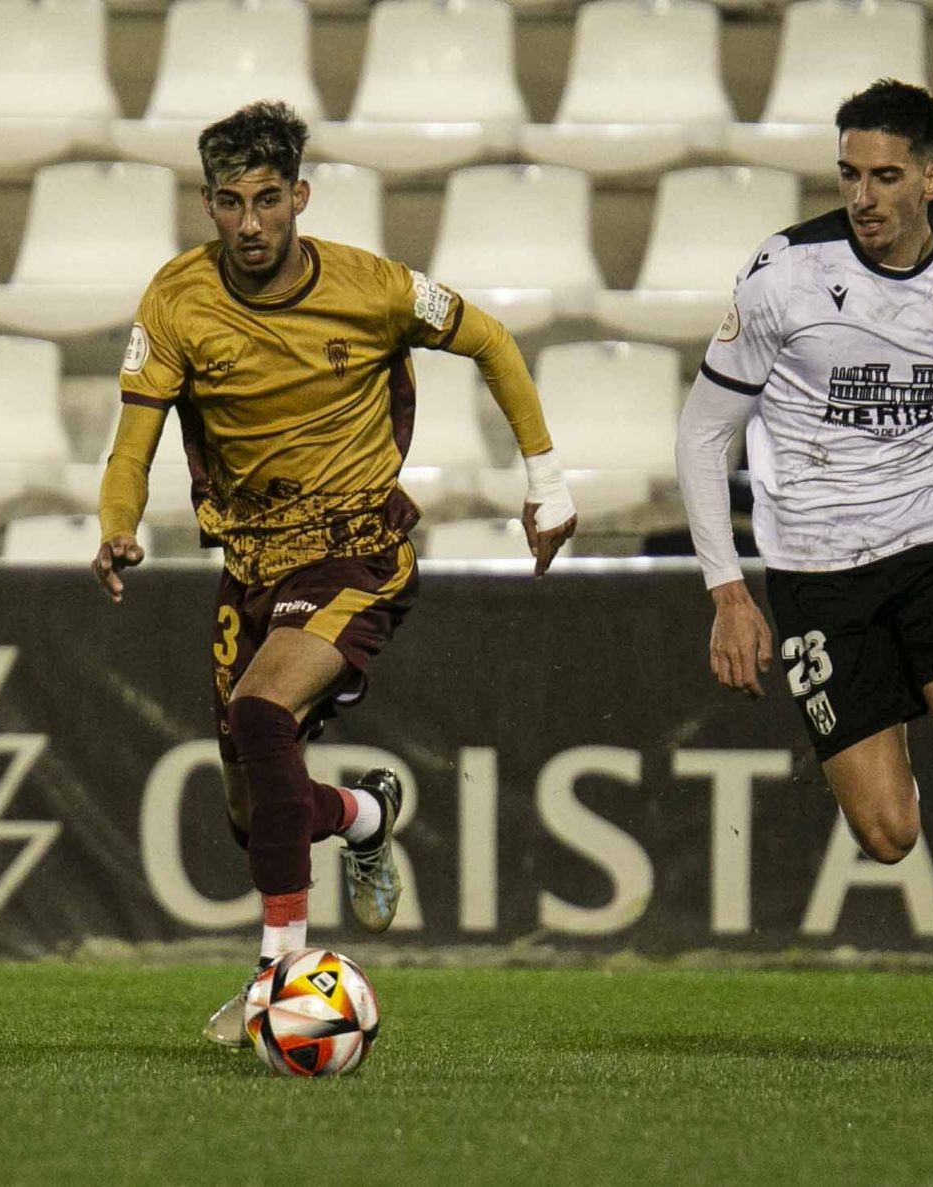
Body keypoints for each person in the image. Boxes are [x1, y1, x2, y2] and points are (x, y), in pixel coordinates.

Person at [92, 100, 578, 1047]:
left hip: (357, 549)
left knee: (264, 714)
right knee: (253, 809)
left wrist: (547, 481)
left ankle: (278, 978)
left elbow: (490, 341)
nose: (249, 224)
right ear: (208, 205)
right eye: (229, 203)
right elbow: (130, 448)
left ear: (300, 196)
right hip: (252, 563)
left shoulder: (374, 287)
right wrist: (116, 527)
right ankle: (360, 816)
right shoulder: (177, 301)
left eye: (268, 199)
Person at [675, 79, 933, 1073]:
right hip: (817, 571)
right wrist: (727, 587)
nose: (864, 194)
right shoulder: (783, 275)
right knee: (890, 831)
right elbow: (700, 436)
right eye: (851, 173)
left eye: (887, 174)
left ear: (932, 178)